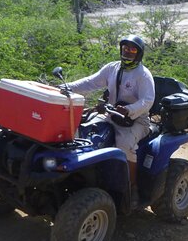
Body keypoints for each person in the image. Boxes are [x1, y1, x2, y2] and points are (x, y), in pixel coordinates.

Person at [66, 35, 155, 202]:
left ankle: (131, 188)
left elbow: (148, 100)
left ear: (139, 53)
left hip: (137, 121)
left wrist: (129, 109)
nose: (128, 52)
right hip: (111, 115)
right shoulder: (112, 68)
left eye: (132, 49)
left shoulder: (143, 75)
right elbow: (90, 82)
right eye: (125, 48)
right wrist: (67, 87)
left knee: (125, 145)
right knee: (84, 131)